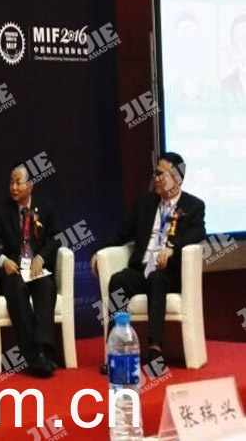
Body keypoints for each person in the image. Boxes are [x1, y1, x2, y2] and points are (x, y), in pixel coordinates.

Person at [92, 152, 206, 374]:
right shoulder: (145, 204)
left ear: (176, 179)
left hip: (168, 273)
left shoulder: (193, 206)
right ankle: (117, 352)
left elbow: (199, 234)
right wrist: (99, 250)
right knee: (118, 280)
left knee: (157, 279)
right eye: (155, 173)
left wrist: (172, 249)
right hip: (141, 269)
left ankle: (155, 350)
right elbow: (123, 231)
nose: (156, 178)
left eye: (161, 174)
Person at [0, 165, 61, 378]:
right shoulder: (2, 210)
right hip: (13, 272)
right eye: (11, 182)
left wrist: (41, 257)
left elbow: (57, 238)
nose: (13, 187)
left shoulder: (45, 208)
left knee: (46, 286)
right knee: (16, 289)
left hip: (35, 269)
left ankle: (43, 349)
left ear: (30, 185)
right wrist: (3, 261)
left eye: (18, 182)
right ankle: (35, 355)